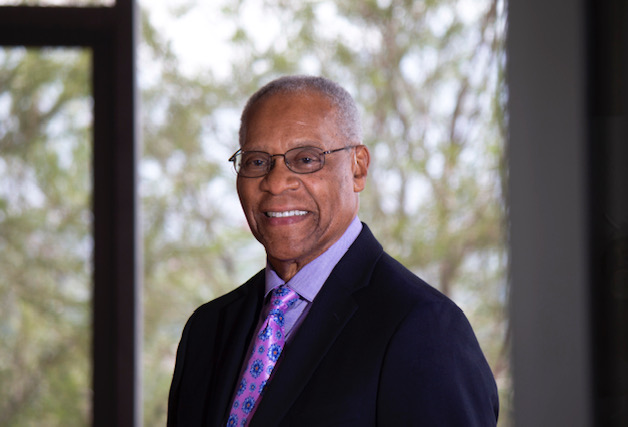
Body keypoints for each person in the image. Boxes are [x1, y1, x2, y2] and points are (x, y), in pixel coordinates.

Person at [167, 75, 499, 426]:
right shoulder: (207, 329)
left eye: (307, 159)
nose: (277, 183)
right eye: (257, 162)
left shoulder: (424, 328)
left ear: (358, 167)